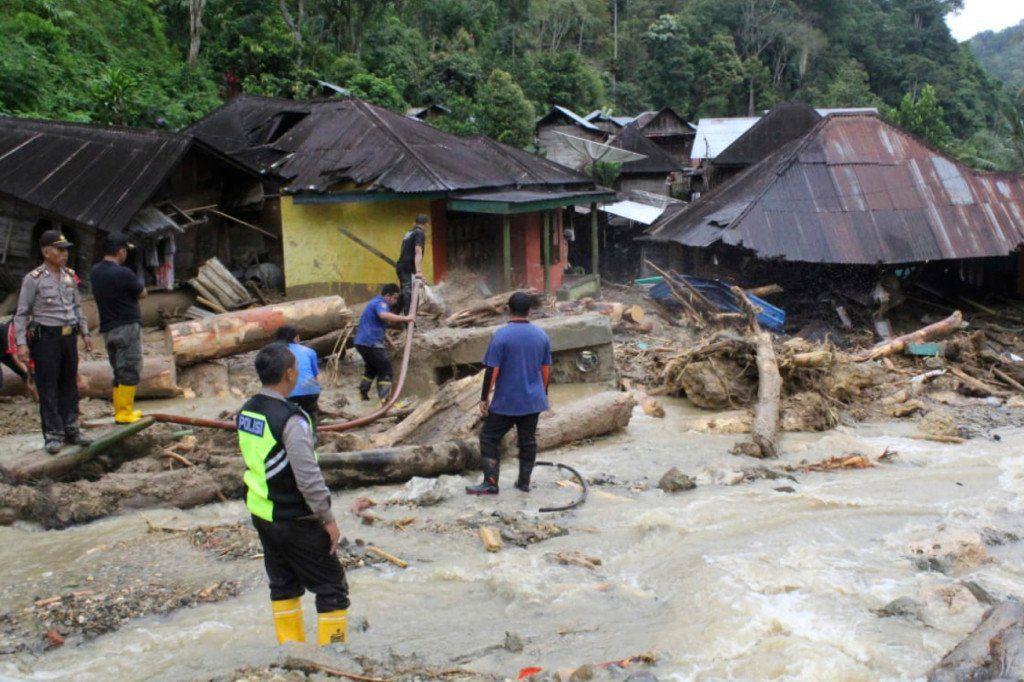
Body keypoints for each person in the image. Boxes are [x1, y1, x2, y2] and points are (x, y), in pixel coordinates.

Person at [237, 342, 349, 646]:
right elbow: (308, 476)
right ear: (289, 373)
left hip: (263, 513)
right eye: (296, 369)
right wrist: (328, 518)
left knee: (283, 585)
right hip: (295, 518)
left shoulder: (247, 411)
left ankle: (291, 652)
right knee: (332, 588)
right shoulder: (291, 419)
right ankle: (335, 657)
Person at [14, 229, 93, 454]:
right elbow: (21, 314)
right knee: (48, 385)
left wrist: (86, 333)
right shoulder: (33, 279)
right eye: (59, 250)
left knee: (69, 382)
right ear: (46, 252)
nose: (64, 254)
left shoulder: (70, 276)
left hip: (68, 337)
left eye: (66, 250)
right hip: (46, 338)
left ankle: (71, 428)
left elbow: (77, 307)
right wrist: (21, 343)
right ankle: (53, 434)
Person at [466, 292, 552, 496]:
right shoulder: (542, 335)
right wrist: (543, 393)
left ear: (508, 310)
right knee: (528, 440)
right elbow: (546, 369)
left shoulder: (501, 335)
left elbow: (492, 370)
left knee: (488, 437)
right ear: (529, 311)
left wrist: (484, 398)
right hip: (533, 401)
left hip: (507, 402)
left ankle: (491, 482)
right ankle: (524, 483)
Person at [89, 232, 147, 424]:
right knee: (130, 366)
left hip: (108, 327)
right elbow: (142, 293)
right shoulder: (124, 273)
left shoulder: (95, 272)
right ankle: (124, 413)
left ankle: (119, 411)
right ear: (121, 251)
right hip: (127, 325)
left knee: (117, 368)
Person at [354, 284, 413, 404]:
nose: (396, 301)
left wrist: (390, 342)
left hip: (361, 342)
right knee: (386, 370)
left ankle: (362, 394)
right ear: (387, 296)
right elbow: (383, 315)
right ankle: (385, 401)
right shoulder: (381, 303)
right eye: (395, 298)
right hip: (370, 342)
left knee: (371, 369)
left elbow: (378, 326)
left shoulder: (374, 303)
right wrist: (406, 318)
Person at [275, 325, 321, 417]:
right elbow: (316, 376)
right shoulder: (309, 351)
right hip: (311, 392)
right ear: (296, 338)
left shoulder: (276, 352)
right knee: (309, 415)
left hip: (289, 394)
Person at [395, 214, 427, 314]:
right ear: (426, 225)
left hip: (402, 267)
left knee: (404, 293)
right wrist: (419, 272)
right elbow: (418, 251)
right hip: (407, 269)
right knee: (410, 294)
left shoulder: (409, 232)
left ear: (415, 223)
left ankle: (393, 317)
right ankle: (408, 321)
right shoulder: (419, 232)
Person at [0, 319, 37, 401]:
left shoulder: (32, 326)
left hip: (5, 351)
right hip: (7, 350)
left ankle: (35, 399)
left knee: (26, 374)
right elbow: (15, 356)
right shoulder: (10, 329)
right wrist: (29, 372)